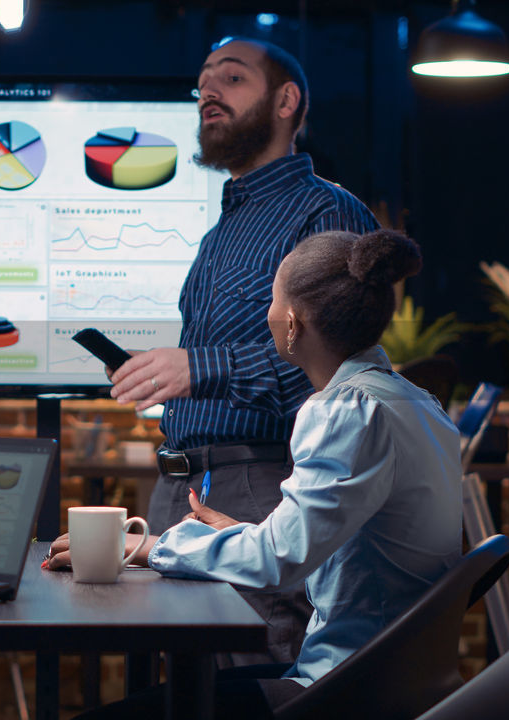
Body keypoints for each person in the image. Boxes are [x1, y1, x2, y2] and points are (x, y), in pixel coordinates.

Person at [50, 229, 462, 717]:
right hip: (398, 680)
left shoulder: (344, 412)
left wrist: (142, 546)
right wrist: (247, 534)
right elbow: (335, 545)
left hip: (344, 689)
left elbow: (278, 561)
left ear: (292, 323)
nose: (266, 314)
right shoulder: (419, 404)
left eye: (271, 297)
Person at [104, 37, 380, 665]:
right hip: (180, 487)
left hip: (262, 484)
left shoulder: (325, 210)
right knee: (178, 692)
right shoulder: (220, 231)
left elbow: (336, 372)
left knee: (249, 687)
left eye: (232, 78)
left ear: (287, 101)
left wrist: (200, 368)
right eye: (203, 81)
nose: (209, 91)